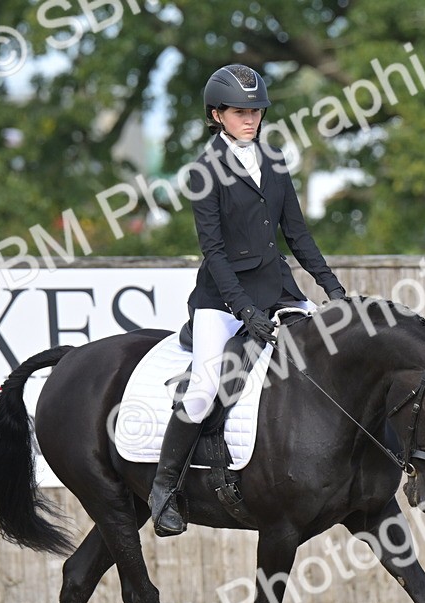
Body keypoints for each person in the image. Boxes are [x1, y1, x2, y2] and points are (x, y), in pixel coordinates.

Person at [149, 63, 347, 536]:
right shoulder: (202, 171)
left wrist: (332, 288)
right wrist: (243, 311)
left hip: (278, 290)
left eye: (256, 111)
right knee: (201, 391)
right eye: (240, 112)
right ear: (216, 114)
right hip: (222, 300)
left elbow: (297, 234)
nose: (251, 119)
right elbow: (213, 253)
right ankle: (164, 489)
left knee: (332, 352)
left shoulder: (275, 161)